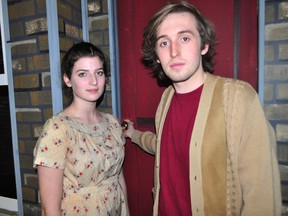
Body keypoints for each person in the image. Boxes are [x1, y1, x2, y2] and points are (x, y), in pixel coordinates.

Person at [123, 1, 281, 215]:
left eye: (185, 38)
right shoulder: (167, 99)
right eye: (164, 43)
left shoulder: (238, 98)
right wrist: (134, 134)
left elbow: (262, 199)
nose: (174, 52)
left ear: (203, 45)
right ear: (157, 57)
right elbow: (165, 146)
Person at [33, 42, 129, 216]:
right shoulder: (58, 129)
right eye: (83, 74)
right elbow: (49, 210)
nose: (93, 81)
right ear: (67, 79)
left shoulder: (113, 124)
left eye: (98, 72)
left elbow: (118, 177)